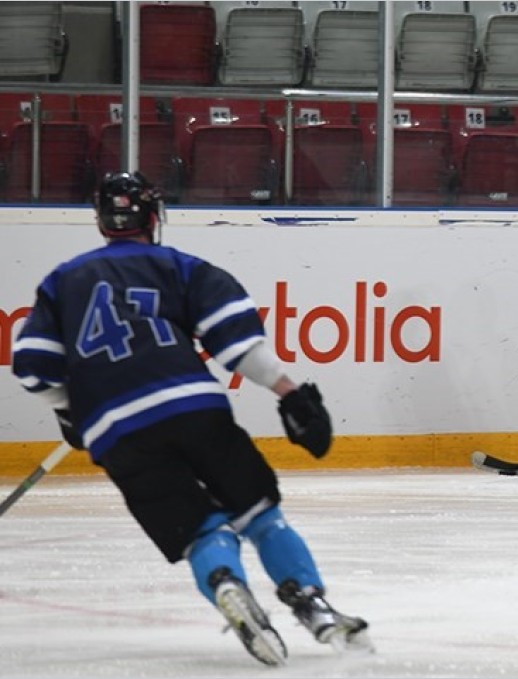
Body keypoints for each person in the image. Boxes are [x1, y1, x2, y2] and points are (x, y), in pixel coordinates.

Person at [10, 172, 372, 665]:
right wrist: (291, 396)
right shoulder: (178, 267)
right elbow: (238, 344)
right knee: (260, 517)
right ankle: (313, 605)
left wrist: (70, 410)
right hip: (192, 408)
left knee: (203, 531)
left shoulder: (61, 282)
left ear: (101, 221)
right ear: (153, 217)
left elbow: (32, 364)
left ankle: (225, 583)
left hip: (117, 435)